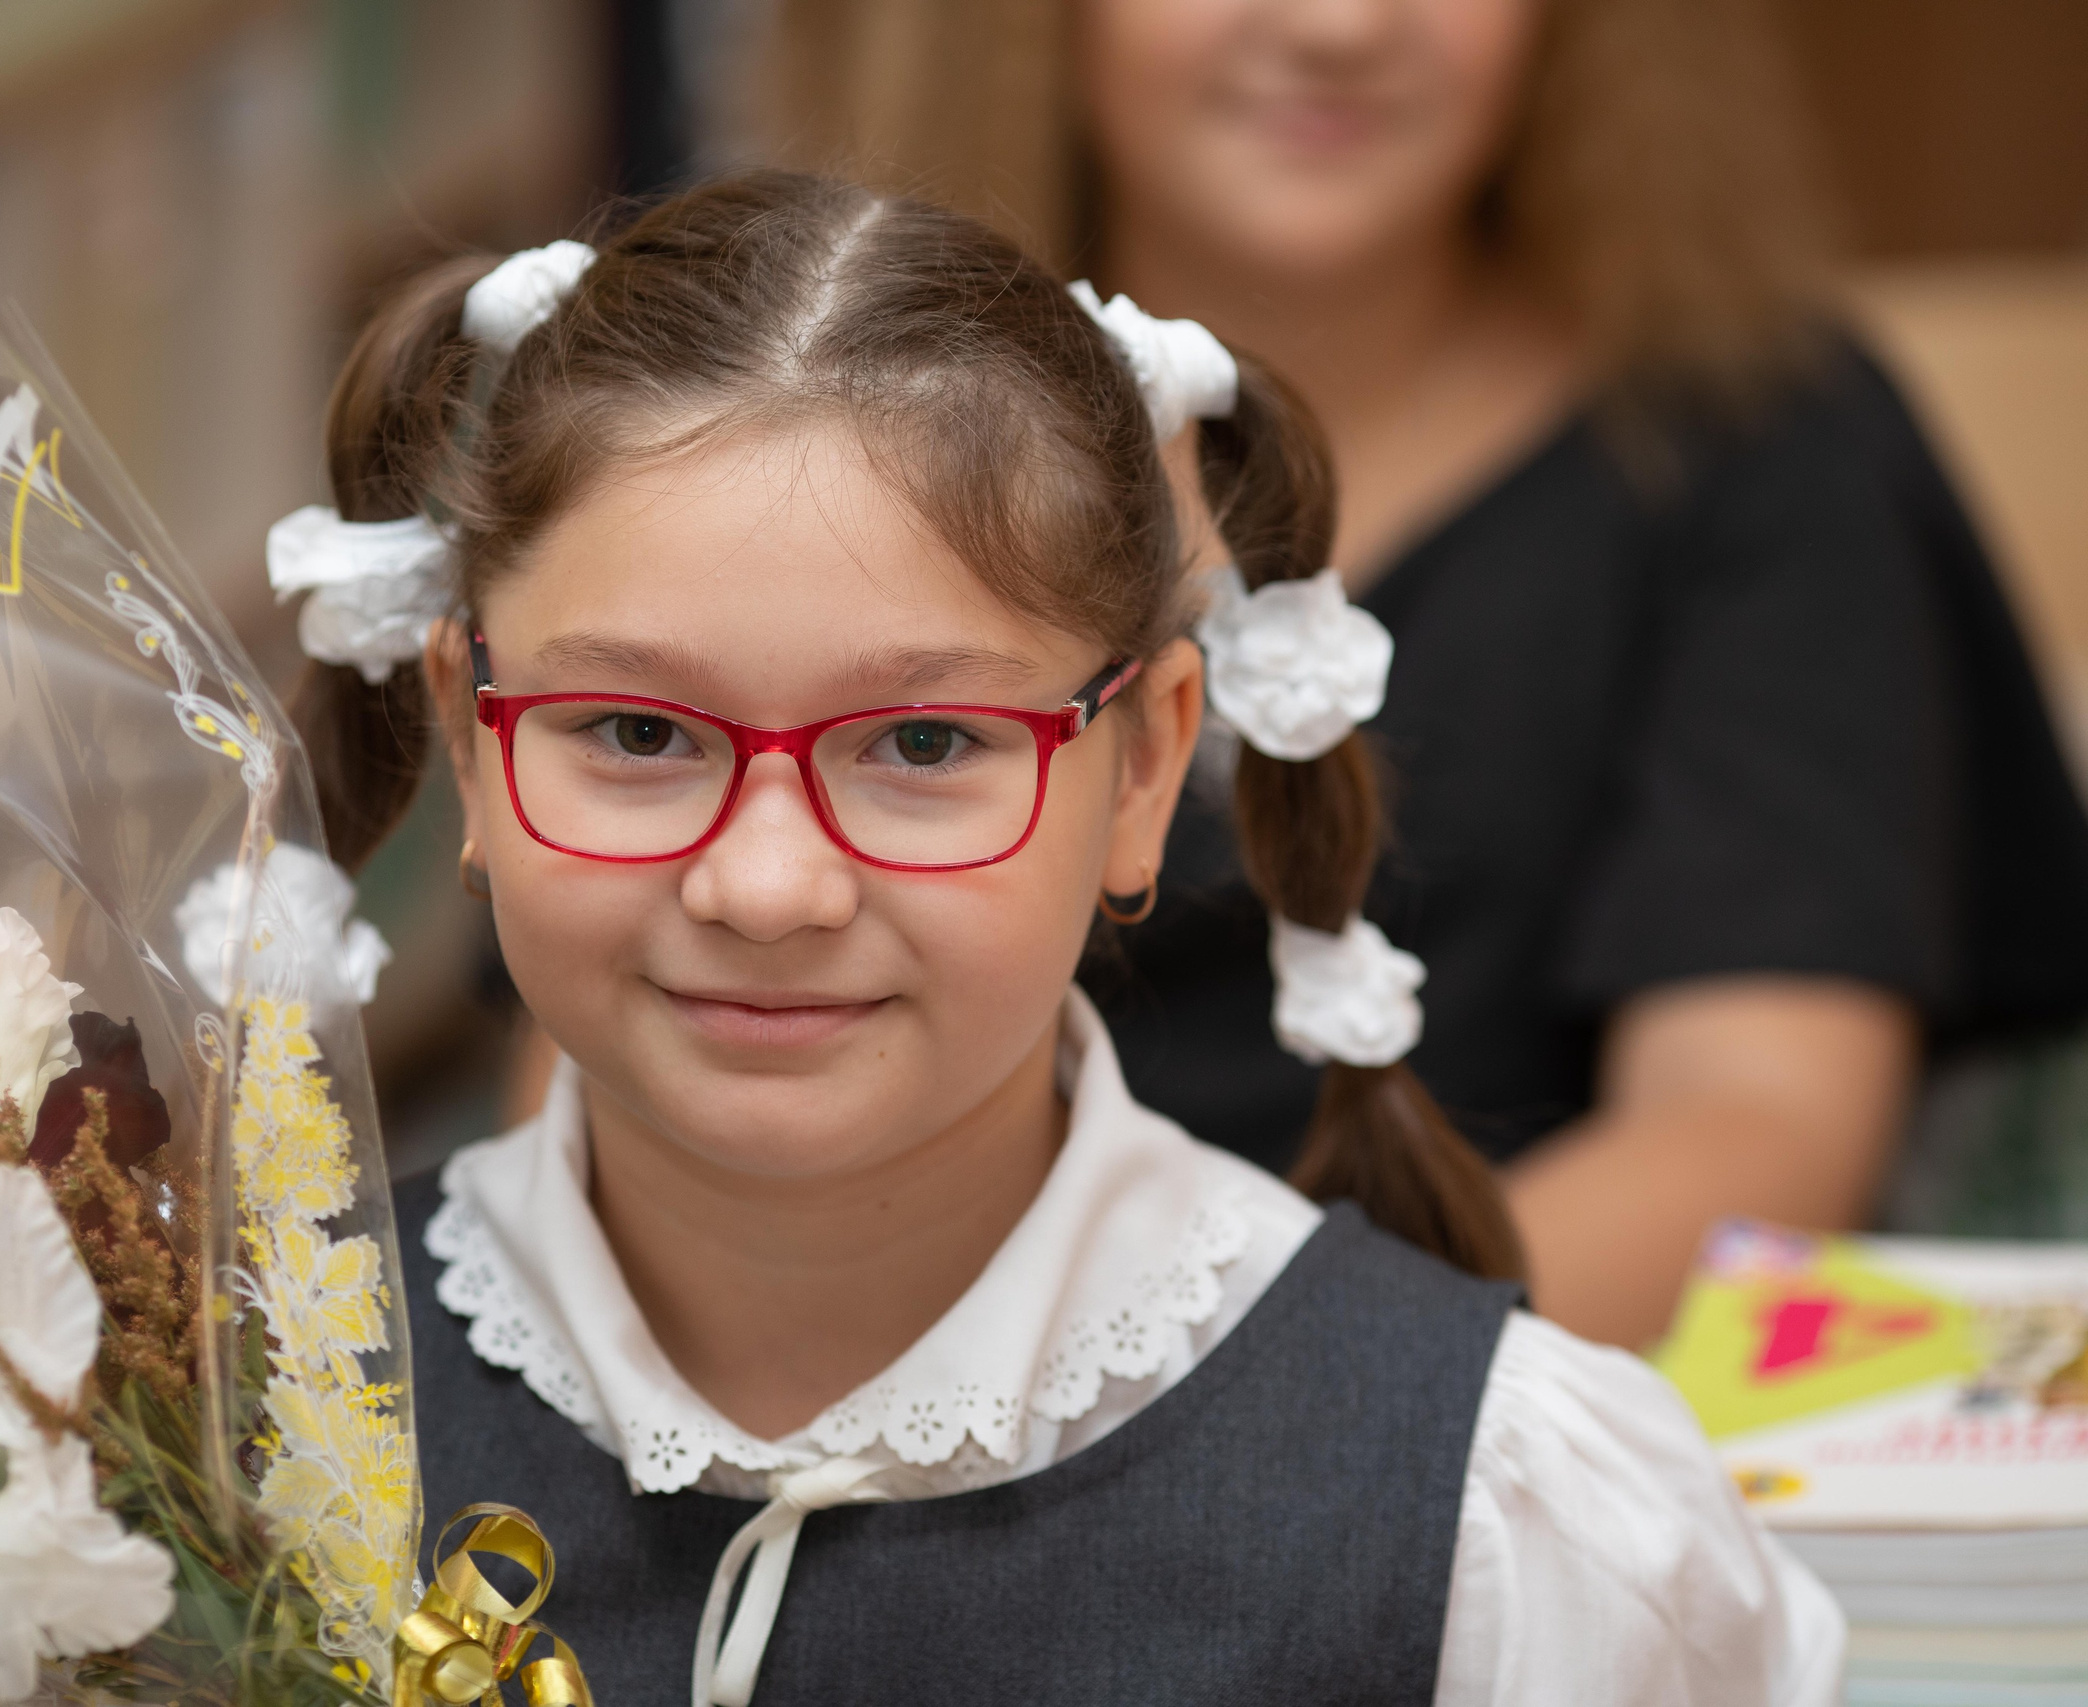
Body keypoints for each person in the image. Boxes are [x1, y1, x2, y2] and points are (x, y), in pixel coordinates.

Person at [280, 171, 1840, 1705]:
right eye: (636, 730)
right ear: (467, 739)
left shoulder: (1515, 1525)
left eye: (924, 745)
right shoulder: (237, 1405)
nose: (766, 886)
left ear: (1145, 768)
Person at [747, 0, 2088, 1346]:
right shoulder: (777, 440)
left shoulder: (1759, 441)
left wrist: (1215, 1398)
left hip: (1484, 1388)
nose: (1339, 26)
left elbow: (1755, 1125)